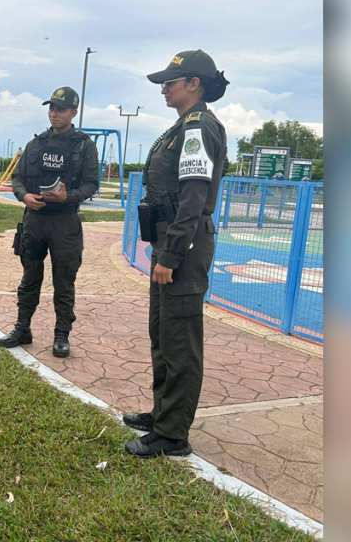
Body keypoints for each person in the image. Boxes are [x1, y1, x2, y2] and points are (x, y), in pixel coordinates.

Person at [123, 50, 229, 458]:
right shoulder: (182, 127)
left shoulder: (199, 127)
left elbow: (193, 197)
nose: (164, 88)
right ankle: (162, 414)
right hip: (169, 242)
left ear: (195, 84)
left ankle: (173, 436)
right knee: (163, 333)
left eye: (172, 81)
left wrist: (171, 255)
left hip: (181, 245)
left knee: (180, 339)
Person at [0, 87, 99, 358]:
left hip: (65, 222)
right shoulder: (36, 143)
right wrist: (23, 196)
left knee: (64, 281)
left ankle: (62, 334)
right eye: (51, 108)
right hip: (34, 221)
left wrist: (68, 197)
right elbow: (17, 178)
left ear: (73, 112)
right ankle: (23, 328)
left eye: (61, 109)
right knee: (29, 277)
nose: (54, 113)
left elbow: (91, 184)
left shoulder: (84, 146)